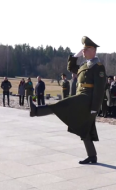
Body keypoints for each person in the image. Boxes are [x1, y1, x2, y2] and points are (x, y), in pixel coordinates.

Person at [29, 36, 106, 164]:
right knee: (84, 127)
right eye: (83, 49)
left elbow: (99, 89)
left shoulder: (98, 67)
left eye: (86, 49)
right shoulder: (84, 65)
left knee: (62, 105)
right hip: (81, 97)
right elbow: (71, 67)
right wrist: (75, 55)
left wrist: (94, 108)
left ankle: (36, 111)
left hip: (86, 99)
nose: (84, 52)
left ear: (93, 50)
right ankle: (92, 156)